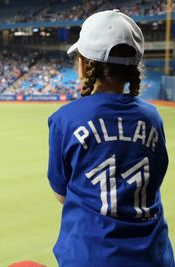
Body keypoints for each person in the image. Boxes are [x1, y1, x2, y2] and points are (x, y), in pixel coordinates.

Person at [47, 10, 174, 267]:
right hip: (153, 256)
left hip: (88, 256)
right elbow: (155, 179)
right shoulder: (152, 117)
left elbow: (61, 194)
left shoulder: (66, 119)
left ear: (83, 65)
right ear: (133, 70)